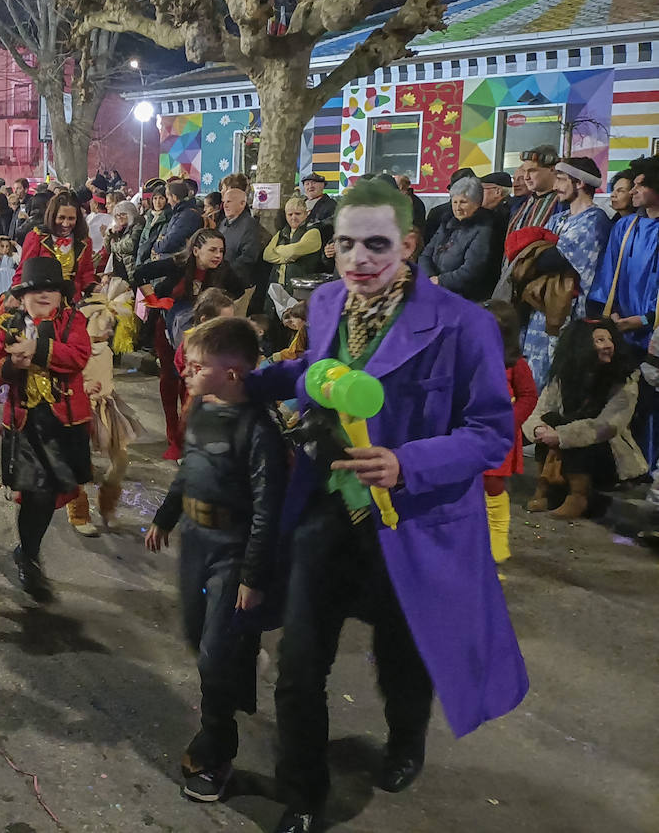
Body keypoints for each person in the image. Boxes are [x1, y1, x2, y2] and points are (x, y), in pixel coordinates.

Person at [249, 176, 525, 833]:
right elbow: (317, 371)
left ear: (409, 243)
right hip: (326, 512)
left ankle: (406, 738)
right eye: (344, 243)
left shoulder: (465, 325)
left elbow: (492, 432)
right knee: (298, 662)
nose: (357, 259)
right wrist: (245, 377)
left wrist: (409, 462)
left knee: (403, 660)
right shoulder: (323, 306)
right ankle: (305, 794)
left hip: (414, 527)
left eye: (375, 243)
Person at [145, 316, 286, 804]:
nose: (186, 371)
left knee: (213, 655)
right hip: (195, 541)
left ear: (232, 373)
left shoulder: (259, 432)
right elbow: (189, 469)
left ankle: (215, 753)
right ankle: (232, 657)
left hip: (231, 551)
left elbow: (268, 508)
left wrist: (252, 573)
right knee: (195, 636)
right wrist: (165, 517)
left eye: (198, 365)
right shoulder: (202, 410)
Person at [0, 256, 93, 602]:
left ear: (62, 295)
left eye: (51, 289)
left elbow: (79, 356)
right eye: (35, 290)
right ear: (22, 296)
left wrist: (37, 350)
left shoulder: (74, 321)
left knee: (51, 495)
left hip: (63, 423)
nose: (44, 294)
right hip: (25, 423)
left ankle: (27, 550)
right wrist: (10, 366)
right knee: (36, 493)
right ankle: (29, 556)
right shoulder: (7, 325)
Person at [136, 229, 245, 460]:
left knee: (192, 384)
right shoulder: (177, 264)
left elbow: (240, 289)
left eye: (221, 251)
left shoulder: (223, 270)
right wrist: (154, 300)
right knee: (169, 376)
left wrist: (214, 303)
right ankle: (171, 429)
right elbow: (139, 273)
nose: (218, 255)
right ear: (196, 250)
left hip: (200, 336)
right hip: (166, 330)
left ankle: (184, 439)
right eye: (212, 250)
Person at [523, 317, 648, 519]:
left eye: (609, 339)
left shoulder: (624, 379)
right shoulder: (565, 375)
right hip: (567, 454)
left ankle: (578, 496)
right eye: (599, 340)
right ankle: (546, 488)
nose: (608, 345)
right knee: (550, 419)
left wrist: (561, 436)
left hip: (607, 456)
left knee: (577, 431)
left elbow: (607, 426)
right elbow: (537, 412)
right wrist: (538, 429)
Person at [587, 157, 659, 466]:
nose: (634, 190)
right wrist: (611, 317)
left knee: (650, 404)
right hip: (623, 331)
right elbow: (607, 278)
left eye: (641, 184)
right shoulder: (625, 227)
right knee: (621, 401)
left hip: (652, 333)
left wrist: (646, 320)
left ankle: (650, 465)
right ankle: (623, 466)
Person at [518, 158, 610, 389]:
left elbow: (551, 259)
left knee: (556, 380)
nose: (555, 185)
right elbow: (526, 253)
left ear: (579, 182)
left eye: (561, 179)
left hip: (568, 314)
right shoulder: (558, 218)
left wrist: (533, 252)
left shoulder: (594, 220)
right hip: (540, 308)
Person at [67, 281, 145, 535]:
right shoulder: (77, 350)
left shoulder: (106, 351)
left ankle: (107, 505)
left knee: (120, 459)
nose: (109, 329)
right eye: (103, 322)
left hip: (106, 406)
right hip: (80, 406)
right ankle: (78, 513)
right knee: (78, 464)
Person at [482, 301, 537, 566]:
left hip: (499, 435)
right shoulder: (467, 357)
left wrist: (509, 422)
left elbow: (528, 396)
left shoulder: (517, 364)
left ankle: (498, 540)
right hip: (470, 432)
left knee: (493, 485)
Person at [419, 175, 498, 301]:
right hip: (436, 291)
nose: (457, 208)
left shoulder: (484, 228)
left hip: (464, 298)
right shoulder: (447, 223)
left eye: (463, 202)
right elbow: (425, 255)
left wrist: (440, 281)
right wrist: (430, 278)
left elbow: (472, 270)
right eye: (454, 202)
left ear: (477, 203)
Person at [262, 197, 323, 341]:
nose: (293, 217)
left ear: (306, 213)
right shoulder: (281, 233)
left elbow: (294, 251)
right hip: (277, 289)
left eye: (298, 214)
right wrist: (286, 255)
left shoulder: (313, 232)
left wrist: (279, 250)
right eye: (290, 214)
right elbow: (266, 254)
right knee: (275, 332)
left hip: (299, 293)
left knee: (296, 335)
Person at [16, 191, 97, 299]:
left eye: (71, 218)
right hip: (42, 302)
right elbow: (23, 272)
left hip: (73, 305)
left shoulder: (85, 242)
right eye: (61, 218)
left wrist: (97, 288)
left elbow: (86, 275)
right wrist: (17, 297)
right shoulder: (36, 237)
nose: (66, 224)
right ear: (52, 216)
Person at [218, 188, 263, 306]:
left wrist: (226, 273)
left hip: (239, 286)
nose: (225, 205)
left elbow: (249, 256)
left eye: (229, 202)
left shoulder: (250, 225)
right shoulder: (223, 223)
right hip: (222, 283)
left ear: (242, 203)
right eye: (224, 202)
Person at [507, 147, 562, 234]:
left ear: (552, 169)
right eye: (525, 171)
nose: (526, 177)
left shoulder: (562, 204)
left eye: (532, 171)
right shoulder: (522, 202)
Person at [102, 200, 142, 283]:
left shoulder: (137, 225)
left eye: (123, 214)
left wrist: (114, 246)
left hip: (132, 271)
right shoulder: (118, 229)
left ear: (130, 213)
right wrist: (110, 234)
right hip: (119, 272)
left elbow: (131, 245)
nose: (119, 217)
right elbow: (107, 249)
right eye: (117, 215)